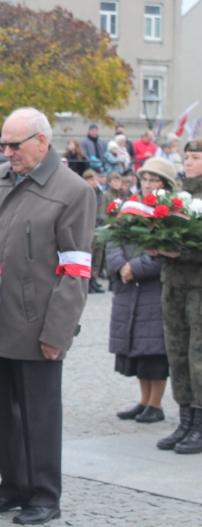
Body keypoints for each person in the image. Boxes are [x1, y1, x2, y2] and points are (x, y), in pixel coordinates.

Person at [0, 108, 96, 525]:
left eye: (15, 145)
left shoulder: (74, 191)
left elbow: (76, 269)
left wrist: (58, 332)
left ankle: (45, 496)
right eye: (3, 144)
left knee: (39, 417)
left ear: (42, 142)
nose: (7, 152)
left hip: (37, 325)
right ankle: (12, 486)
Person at [107, 158, 174, 426]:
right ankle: (144, 401)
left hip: (153, 288)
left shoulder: (170, 213)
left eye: (153, 180)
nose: (147, 184)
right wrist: (120, 266)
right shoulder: (129, 207)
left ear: (164, 184)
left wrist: (133, 268)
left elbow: (164, 254)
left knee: (154, 349)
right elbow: (112, 240)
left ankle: (156, 404)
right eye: (144, 179)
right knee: (137, 346)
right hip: (129, 286)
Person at [148, 138, 202, 454]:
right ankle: (185, 420)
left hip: (198, 287)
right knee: (177, 353)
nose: (190, 162)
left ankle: (200, 424)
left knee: (199, 356)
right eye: (188, 157)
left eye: (196, 157)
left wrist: (182, 252)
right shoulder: (178, 197)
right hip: (173, 284)